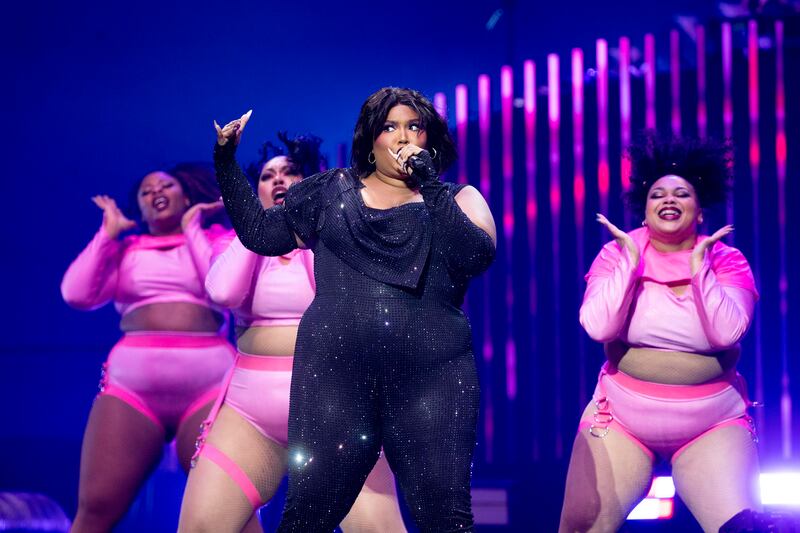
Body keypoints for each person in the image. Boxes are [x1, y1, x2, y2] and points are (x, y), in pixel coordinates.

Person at [212, 87, 496, 532]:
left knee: (445, 515)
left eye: (413, 127)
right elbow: (261, 235)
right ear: (371, 138)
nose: (402, 137)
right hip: (336, 374)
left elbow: (476, 256)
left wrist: (430, 185)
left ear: (429, 139)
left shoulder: (461, 199)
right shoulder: (329, 192)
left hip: (434, 377)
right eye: (390, 127)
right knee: (308, 513)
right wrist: (226, 163)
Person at [178, 133, 406, 533]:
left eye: (290, 172)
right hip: (248, 415)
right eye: (268, 176)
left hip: (335, 408)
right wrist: (258, 225)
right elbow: (222, 292)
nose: (279, 180)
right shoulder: (234, 246)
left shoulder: (341, 238)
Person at [559, 135, 760, 532]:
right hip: (621, 418)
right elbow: (599, 326)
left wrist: (700, 267)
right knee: (581, 527)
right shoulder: (617, 254)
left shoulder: (727, 260)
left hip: (712, 423)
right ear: (645, 210)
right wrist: (630, 264)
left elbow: (726, 334)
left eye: (681, 193)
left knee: (743, 528)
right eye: (657, 195)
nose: (668, 200)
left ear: (700, 212)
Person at [61, 164, 234, 532]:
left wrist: (192, 230)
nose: (155, 190)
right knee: (96, 508)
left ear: (186, 197)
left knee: (230, 514)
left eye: (166, 184)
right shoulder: (126, 250)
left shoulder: (218, 238)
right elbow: (75, 294)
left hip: (210, 388)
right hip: (133, 391)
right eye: (145, 189)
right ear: (140, 208)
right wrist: (106, 236)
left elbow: (221, 287)